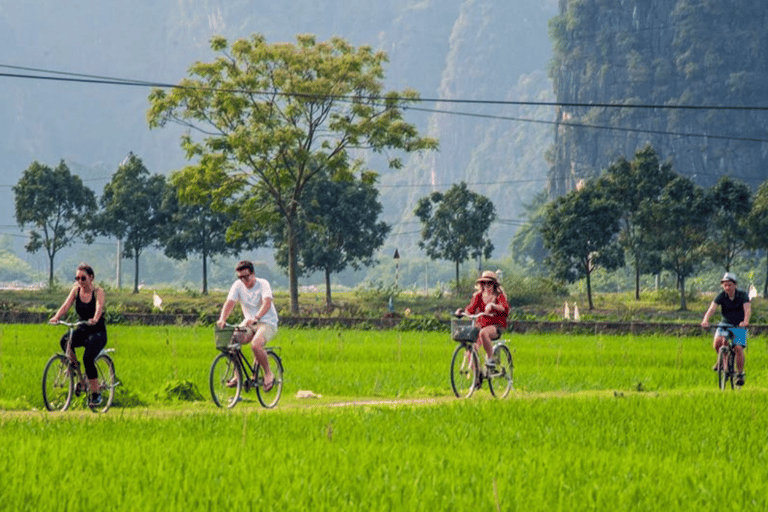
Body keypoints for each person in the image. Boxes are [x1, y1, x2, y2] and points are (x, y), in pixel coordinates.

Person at [49, 263, 108, 405]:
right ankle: (75, 367)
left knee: (88, 359)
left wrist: (95, 318)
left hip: (97, 331)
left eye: (83, 278)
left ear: (91, 278)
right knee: (65, 341)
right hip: (83, 328)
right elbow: (66, 306)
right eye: (77, 278)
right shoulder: (76, 290)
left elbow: (99, 306)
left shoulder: (98, 292)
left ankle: (95, 394)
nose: (80, 281)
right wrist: (57, 317)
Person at [217, 260, 278, 391]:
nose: (244, 280)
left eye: (246, 276)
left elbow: (267, 303)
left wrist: (257, 317)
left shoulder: (263, 284)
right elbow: (230, 303)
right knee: (233, 339)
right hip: (249, 322)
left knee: (256, 345)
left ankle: (268, 374)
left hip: (267, 322)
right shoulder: (237, 286)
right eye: (240, 277)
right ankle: (237, 374)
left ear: (253, 274)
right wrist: (222, 318)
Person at [701, 272, 751, 386]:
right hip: (725, 324)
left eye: (729, 285)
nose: (727, 287)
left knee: (738, 348)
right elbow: (712, 308)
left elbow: (747, 310)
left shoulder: (742, 295)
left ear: (735, 285)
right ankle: (723, 362)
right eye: (725, 285)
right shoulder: (721, 296)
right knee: (717, 343)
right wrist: (705, 320)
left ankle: (739, 374)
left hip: (739, 326)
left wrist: (745, 321)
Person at [455, 270, 510, 367]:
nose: (487, 285)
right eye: (484, 282)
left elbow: (505, 309)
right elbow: (470, 309)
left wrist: (493, 306)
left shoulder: (499, 296)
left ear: (494, 284)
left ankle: (490, 358)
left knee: (483, 333)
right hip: (479, 326)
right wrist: (462, 313)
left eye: (489, 282)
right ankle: (477, 378)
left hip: (494, 326)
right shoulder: (478, 296)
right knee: (470, 351)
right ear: (481, 284)